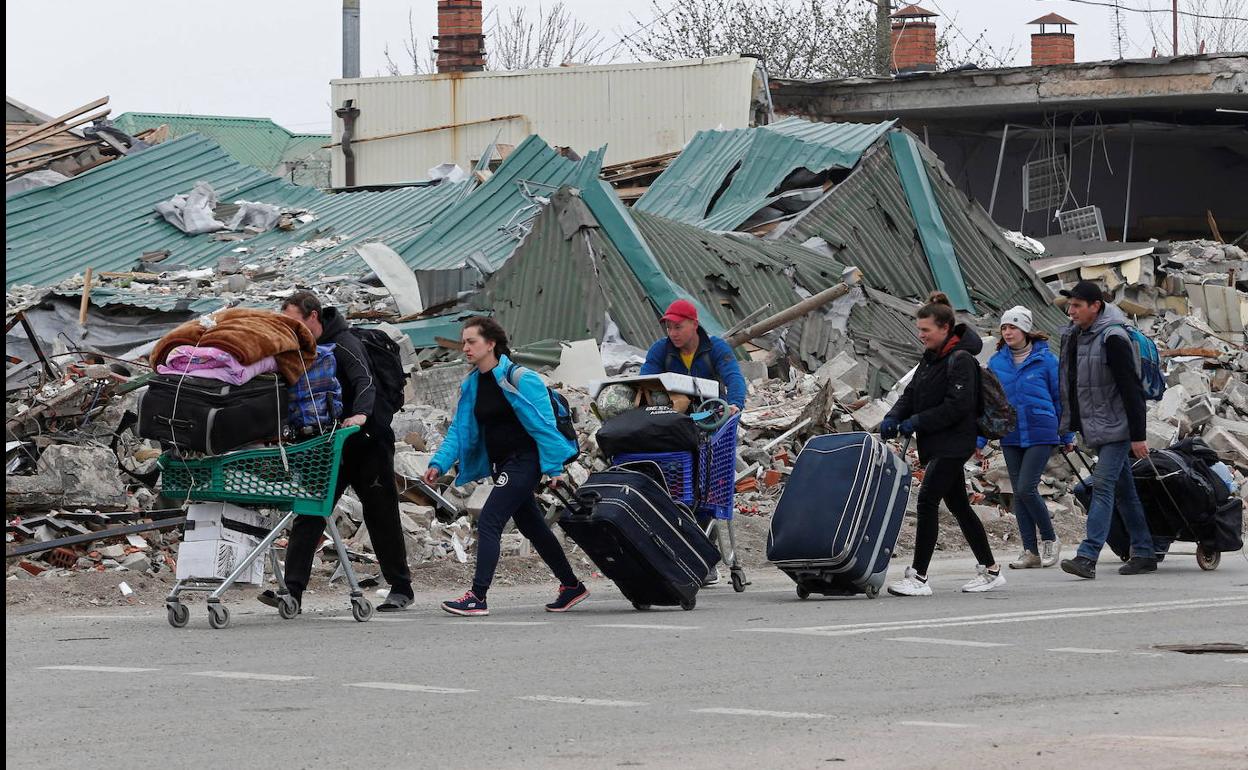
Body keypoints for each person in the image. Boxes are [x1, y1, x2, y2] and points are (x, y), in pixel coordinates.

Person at [423, 317, 588, 617]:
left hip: (524, 462)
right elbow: (459, 431)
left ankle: (478, 596)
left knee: (489, 520)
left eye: (471, 341)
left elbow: (544, 427)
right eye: (464, 342)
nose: (465, 348)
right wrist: (438, 463)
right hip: (501, 464)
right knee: (533, 526)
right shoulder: (472, 384)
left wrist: (553, 469)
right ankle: (572, 586)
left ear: (491, 344)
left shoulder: (520, 378)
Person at [272, 292, 413, 612]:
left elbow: (364, 380)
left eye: (295, 321)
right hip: (326, 445)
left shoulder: (345, 342)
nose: (291, 328)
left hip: (366, 440)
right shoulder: (301, 350)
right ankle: (292, 590)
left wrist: (360, 414)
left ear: (313, 317)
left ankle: (401, 587)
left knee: (380, 512)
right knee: (309, 512)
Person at [880, 292, 1005, 596]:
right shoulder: (930, 358)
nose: (920, 335)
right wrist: (893, 417)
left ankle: (919, 577)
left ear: (945, 328)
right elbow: (910, 394)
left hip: (955, 442)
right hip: (937, 443)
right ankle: (991, 570)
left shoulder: (960, 360)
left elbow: (957, 407)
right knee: (959, 506)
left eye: (926, 330)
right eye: (919, 329)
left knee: (926, 501)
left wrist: (917, 421)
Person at [1056, 281, 1156, 579]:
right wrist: (1070, 427)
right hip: (1096, 427)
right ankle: (1144, 550)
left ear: (1095, 307)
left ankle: (1087, 555)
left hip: (1118, 428)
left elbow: (1132, 390)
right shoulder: (1077, 337)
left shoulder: (1113, 338)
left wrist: (1138, 435)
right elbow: (1071, 385)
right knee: (1124, 491)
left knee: (1102, 486)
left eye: (1077, 306)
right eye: (1070, 305)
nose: (1071, 311)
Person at [978, 306, 1072, 569]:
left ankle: (1051, 540)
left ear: (1026, 330)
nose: (1008, 332)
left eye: (1013, 327)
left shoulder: (1047, 360)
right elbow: (991, 405)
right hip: (1011, 433)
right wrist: (981, 440)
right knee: (1018, 494)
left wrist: (1067, 433)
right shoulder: (996, 363)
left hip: (1042, 430)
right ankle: (1030, 551)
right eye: (1004, 328)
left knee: (1026, 488)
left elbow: (1060, 398)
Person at [640, 299, 747, 413]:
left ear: (694, 324)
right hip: (674, 416)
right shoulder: (660, 349)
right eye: (668, 327)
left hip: (712, 412)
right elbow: (645, 382)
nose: (672, 333)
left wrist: (734, 404)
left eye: (678, 327)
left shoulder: (716, 347)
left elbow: (734, 377)